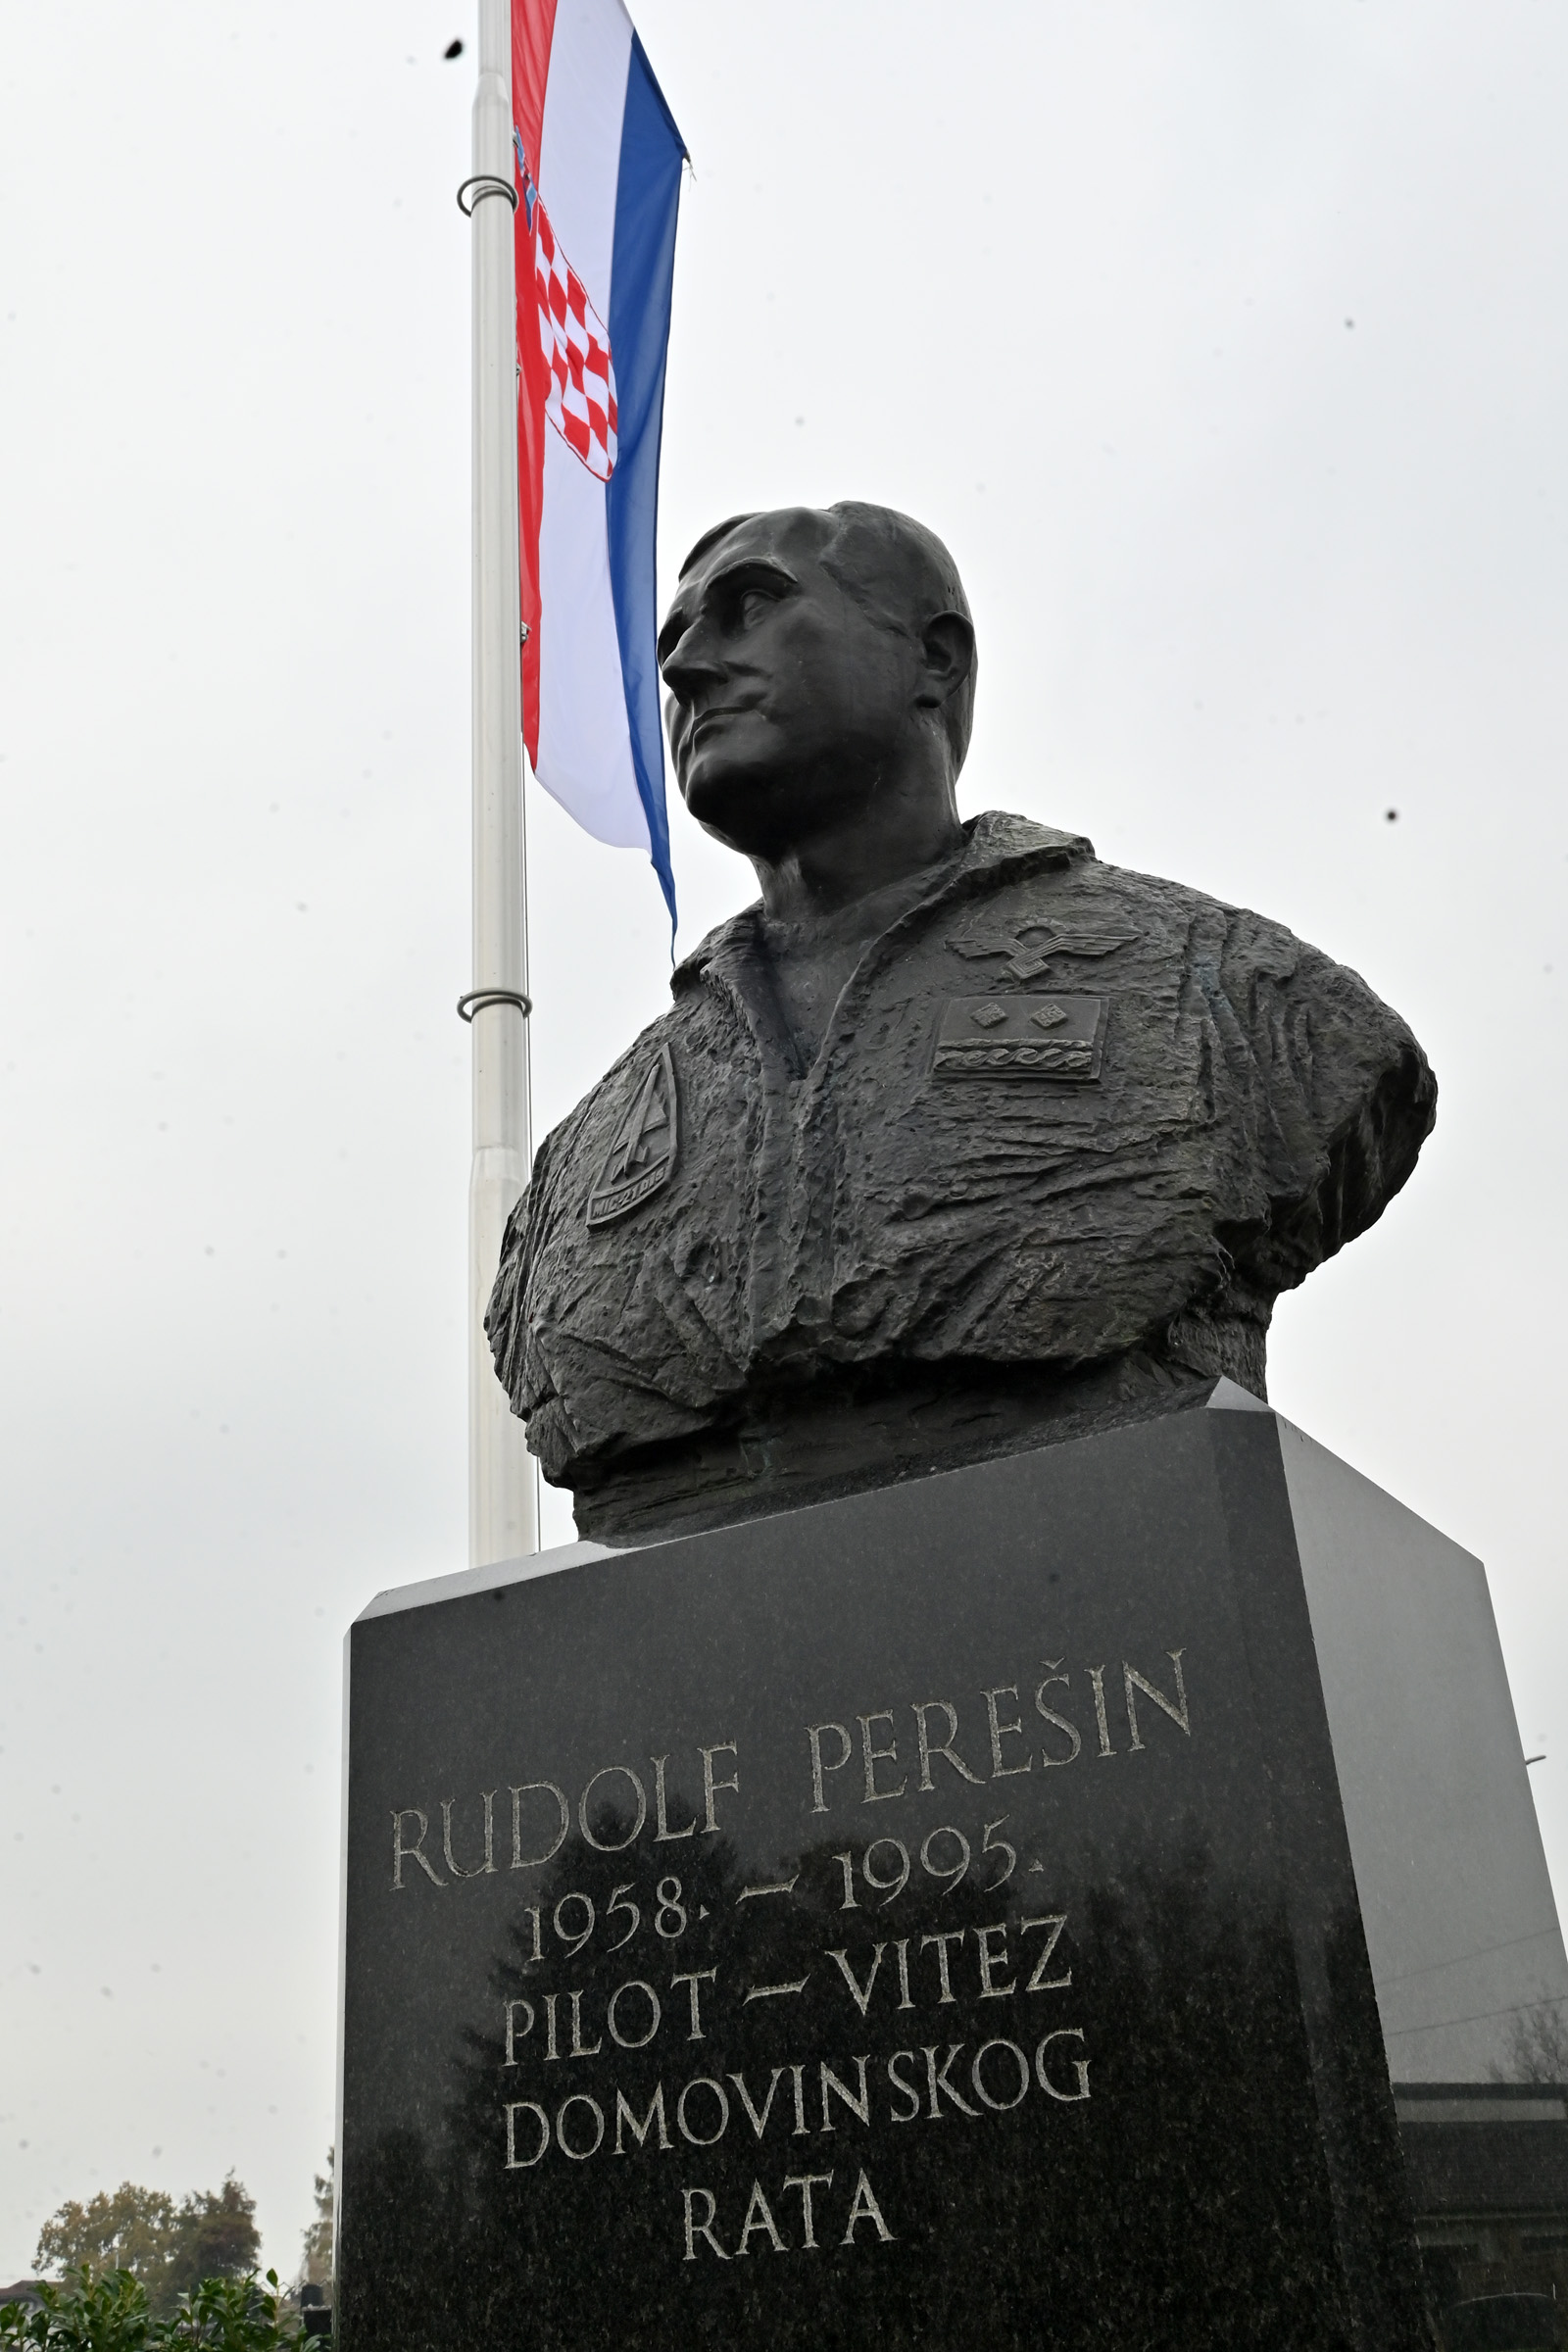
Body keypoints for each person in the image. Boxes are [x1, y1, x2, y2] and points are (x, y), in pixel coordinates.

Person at [488, 503, 1436, 1540]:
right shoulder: (586, 1154)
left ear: (933, 660)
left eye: (752, 606)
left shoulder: (1231, 993)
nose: (685, 669)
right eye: (673, 640)